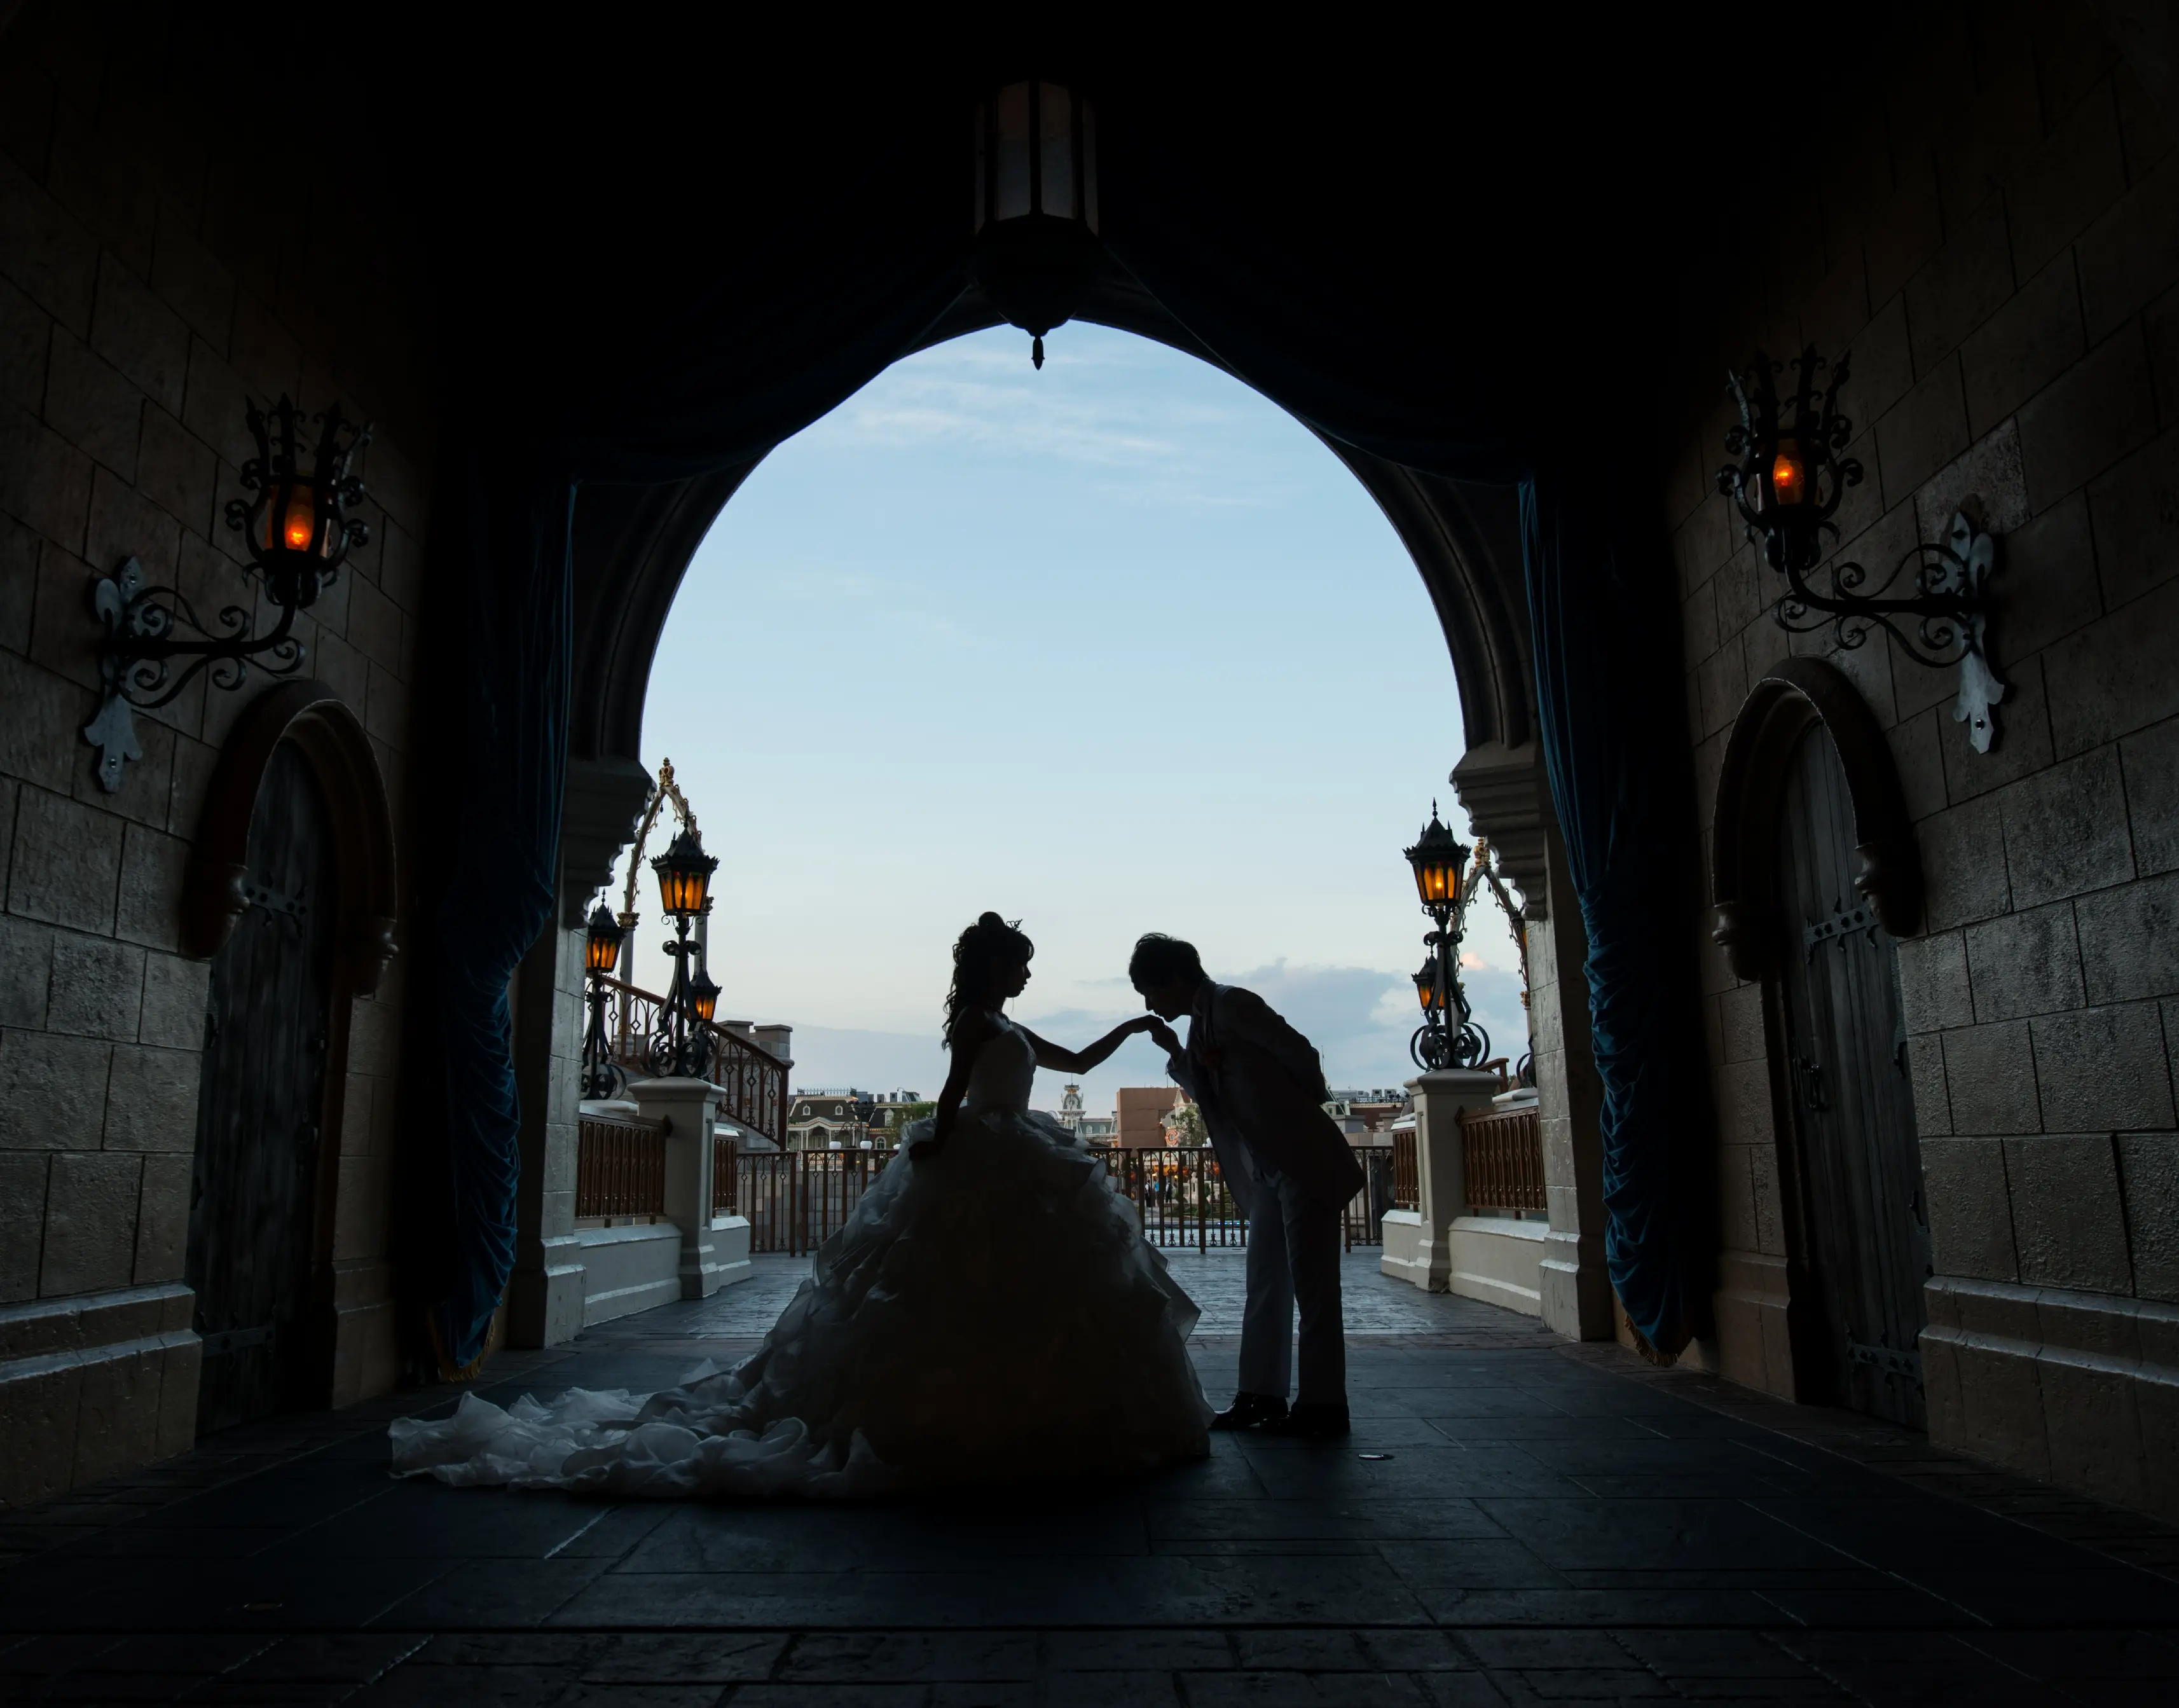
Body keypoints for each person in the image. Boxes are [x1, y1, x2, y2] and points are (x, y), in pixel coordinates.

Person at [390, 913, 1211, 1497]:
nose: (1027, 973)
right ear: (995, 966)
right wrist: (935, 1144)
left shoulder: (1001, 1017)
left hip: (1005, 1150)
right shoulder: (972, 1020)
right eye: (1021, 962)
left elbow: (1068, 1061)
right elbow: (954, 1095)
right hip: (990, 1154)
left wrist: (1130, 1029)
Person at [1132, 932, 1362, 1439]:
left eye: (1149, 992)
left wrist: (1289, 1110)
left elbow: (1301, 1055)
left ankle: (1323, 1404)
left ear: (1171, 980)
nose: (1149, 1005)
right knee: (1265, 1285)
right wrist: (1179, 1055)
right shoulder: (1202, 1024)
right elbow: (1207, 1094)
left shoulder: (1233, 1004)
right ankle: (1260, 1395)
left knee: (1314, 1290)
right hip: (1267, 1168)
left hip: (1299, 1158)